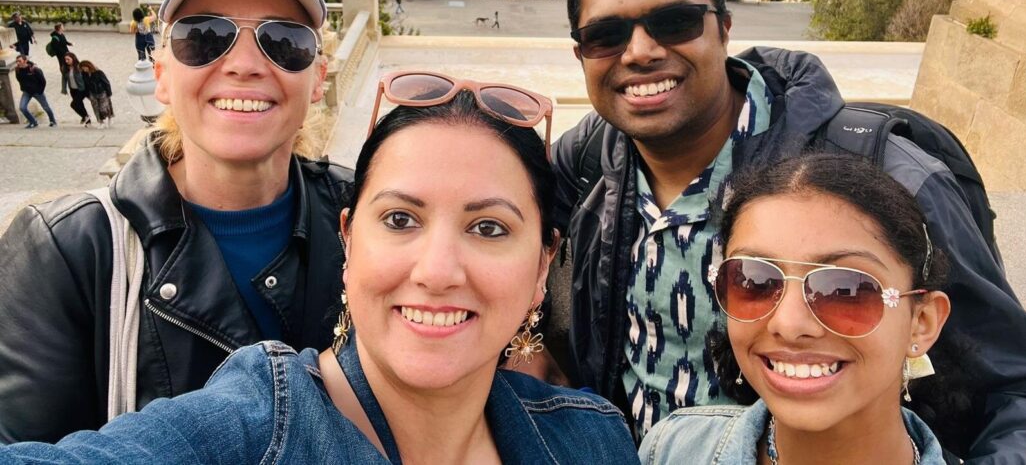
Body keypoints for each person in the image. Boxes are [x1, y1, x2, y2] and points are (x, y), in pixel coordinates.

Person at [551, 0, 1026, 459]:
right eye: (606, 35)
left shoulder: (883, 174)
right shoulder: (592, 159)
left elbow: (1014, 389)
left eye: (674, 22)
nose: (640, 52)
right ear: (582, 55)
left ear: (724, 29)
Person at [0, 78, 638, 463]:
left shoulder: (593, 439)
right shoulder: (249, 427)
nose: (439, 270)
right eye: (399, 220)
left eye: (489, 228)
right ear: (348, 241)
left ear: (541, 267)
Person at [0, 0, 354, 443]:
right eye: (204, 37)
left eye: (284, 42)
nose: (246, 65)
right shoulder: (66, 250)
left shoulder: (363, 216)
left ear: (317, 78)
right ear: (162, 74)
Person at [639, 154, 961, 465]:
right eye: (755, 281)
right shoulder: (673, 448)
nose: (789, 323)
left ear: (922, 322)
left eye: (844, 290)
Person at [14, 54, 57, 128]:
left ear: (25, 61)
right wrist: (23, 88)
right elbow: (19, 80)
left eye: (20, 61)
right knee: (22, 107)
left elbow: (43, 81)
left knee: (46, 107)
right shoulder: (17, 70)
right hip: (27, 92)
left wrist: (40, 91)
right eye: (17, 61)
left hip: (37, 92)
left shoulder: (34, 69)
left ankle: (52, 120)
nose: (18, 63)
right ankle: (33, 122)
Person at [79, 60, 114, 128]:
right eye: (82, 69)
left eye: (84, 68)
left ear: (88, 66)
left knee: (103, 108)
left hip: (102, 92)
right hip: (92, 93)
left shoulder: (98, 72)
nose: (84, 70)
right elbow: (85, 85)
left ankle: (110, 117)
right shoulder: (84, 74)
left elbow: (106, 82)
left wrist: (109, 92)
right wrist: (87, 94)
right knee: (96, 108)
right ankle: (101, 122)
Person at [63, 52, 92, 127]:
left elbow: (87, 76)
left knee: (73, 104)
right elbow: (64, 78)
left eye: (68, 59)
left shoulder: (79, 67)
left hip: (81, 89)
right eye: (65, 59)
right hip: (73, 89)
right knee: (80, 105)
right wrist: (64, 88)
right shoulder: (65, 68)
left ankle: (85, 116)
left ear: (73, 58)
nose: (66, 61)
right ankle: (87, 120)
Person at [48, 22, 72, 94]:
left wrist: (69, 44)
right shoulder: (54, 38)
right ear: (59, 28)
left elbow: (65, 42)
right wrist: (64, 54)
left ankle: (67, 73)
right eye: (62, 26)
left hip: (66, 53)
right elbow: (56, 48)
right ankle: (65, 75)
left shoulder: (61, 34)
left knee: (68, 64)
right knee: (62, 65)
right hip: (61, 55)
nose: (63, 27)